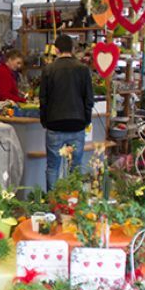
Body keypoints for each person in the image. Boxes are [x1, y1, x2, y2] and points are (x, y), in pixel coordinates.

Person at [39, 34, 94, 190]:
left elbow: (43, 98)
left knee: (52, 167)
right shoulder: (83, 69)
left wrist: (44, 121)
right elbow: (88, 98)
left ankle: (53, 204)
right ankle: (73, 202)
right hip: (77, 124)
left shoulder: (48, 69)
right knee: (75, 168)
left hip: (54, 123)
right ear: (73, 49)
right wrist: (86, 120)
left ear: (56, 50)